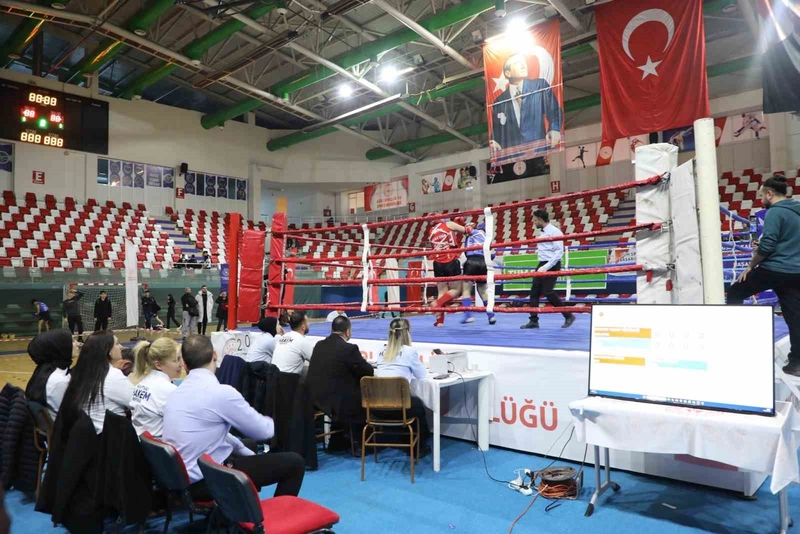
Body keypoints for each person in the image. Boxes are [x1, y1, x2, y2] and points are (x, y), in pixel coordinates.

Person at [163, 335, 305, 501]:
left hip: (183, 476)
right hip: (207, 478)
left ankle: (241, 506)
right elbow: (264, 432)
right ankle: (277, 516)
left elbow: (217, 435)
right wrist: (279, 417)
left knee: (246, 445)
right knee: (295, 463)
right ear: (215, 355)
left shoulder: (175, 393)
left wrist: (248, 453)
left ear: (185, 365)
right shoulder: (221, 393)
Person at [727, 175, 800, 375]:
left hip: (775, 269)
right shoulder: (796, 209)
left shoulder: (775, 212)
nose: (761, 199)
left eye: (761, 195)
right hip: (796, 271)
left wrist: (751, 265)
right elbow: (788, 240)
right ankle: (796, 363)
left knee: (735, 293)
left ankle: (735, 345)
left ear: (770, 194)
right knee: (794, 316)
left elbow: (767, 246)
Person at [57, 330, 134, 434]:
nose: (121, 347)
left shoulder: (79, 372)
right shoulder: (112, 375)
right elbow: (137, 403)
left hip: (87, 435)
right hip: (111, 437)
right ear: (108, 350)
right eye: (117, 343)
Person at [306, 316, 374, 424]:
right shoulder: (349, 349)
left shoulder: (319, 345)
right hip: (337, 402)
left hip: (315, 399)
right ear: (347, 331)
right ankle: (358, 433)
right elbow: (368, 371)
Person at [489, 53, 562, 153]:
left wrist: (554, 129)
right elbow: (497, 128)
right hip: (513, 154)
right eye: (518, 63)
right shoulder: (500, 100)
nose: (523, 65)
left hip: (538, 150)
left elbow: (554, 111)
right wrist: (494, 141)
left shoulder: (539, 86)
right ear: (508, 73)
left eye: (524, 62)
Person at [375, 318, 430, 441]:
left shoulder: (381, 351)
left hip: (377, 405)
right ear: (407, 333)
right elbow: (422, 375)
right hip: (400, 407)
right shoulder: (409, 351)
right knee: (418, 405)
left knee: (414, 403)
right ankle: (421, 443)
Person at [520, 210, 575, 330]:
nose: (534, 222)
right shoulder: (543, 233)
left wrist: (546, 267)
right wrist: (543, 266)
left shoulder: (555, 232)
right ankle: (533, 321)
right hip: (542, 263)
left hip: (552, 264)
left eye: (535, 220)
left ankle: (568, 315)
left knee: (548, 291)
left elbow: (559, 252)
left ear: (541, 219)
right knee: (534, 292)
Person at [130, 338, 182, 437]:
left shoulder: (140, 385)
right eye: (176, 360)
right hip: (159, 444)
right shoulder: (169, 390)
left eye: (180, 358)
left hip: (141, 442)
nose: (181, 364)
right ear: (158, 365)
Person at [25, 329, 78, 421]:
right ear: (59, 347)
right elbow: (70, 413)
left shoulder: (44, 369)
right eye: (72, 341)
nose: (77, 344)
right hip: (60, 426)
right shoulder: (58, 380)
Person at [428, 216, 467, 327]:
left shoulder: (431, 231)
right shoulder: (448, 224)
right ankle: (437, 303)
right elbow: (466, 231)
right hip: (450, 260)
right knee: (457, 290)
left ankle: (440, 321)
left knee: (441, 292)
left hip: (437, 263)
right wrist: (461, 224)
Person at [456, 222, 497, 325]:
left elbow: (466, 230)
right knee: (483, 291)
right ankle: (491, 316)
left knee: (466, 290)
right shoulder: (488, 238)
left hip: (471, 261)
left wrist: (461, 223)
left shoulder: (472, 232)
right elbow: (492, 256)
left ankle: (468, 316)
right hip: (483, 262)